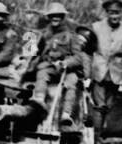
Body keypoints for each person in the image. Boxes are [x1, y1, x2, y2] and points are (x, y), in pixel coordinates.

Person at [34, 2, 89, 131]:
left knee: (71, 82)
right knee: (41, 72)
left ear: (62, 17)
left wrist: (65, 63)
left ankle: (66, 114)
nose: (55, 19)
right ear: (49, 17)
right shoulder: (44, 34)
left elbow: (78, 57)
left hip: (67, 69)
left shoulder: (71, 35)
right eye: (52, 16)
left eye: (58, 16)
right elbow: (35, 52)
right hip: (50, 67)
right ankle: (39, 99)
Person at [89, 0, 122, 133]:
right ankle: (96, 141)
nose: (114, 17)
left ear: (121, 14)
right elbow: (87, 52)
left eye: (117, 13)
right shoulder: (96, 28)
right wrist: (86, 73)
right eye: (111, 13)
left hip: (116, 75)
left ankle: (104, 135)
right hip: (98, 73)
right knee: (99, 107)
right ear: (107, 13)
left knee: (109, 107)